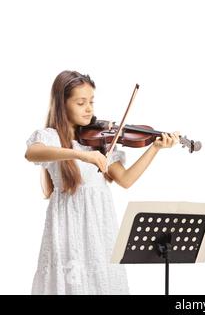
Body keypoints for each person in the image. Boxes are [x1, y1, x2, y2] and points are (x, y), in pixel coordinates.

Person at [25, 70, 179, 294]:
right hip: (68, 228)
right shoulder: (50, 137)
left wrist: (154, 148)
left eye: (91, 102)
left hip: (100, 227)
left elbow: (126, 180)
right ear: (62, 103)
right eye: (80, 102)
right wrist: (80, 154)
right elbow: (32, 153)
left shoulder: (99, 140)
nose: (89, 109)